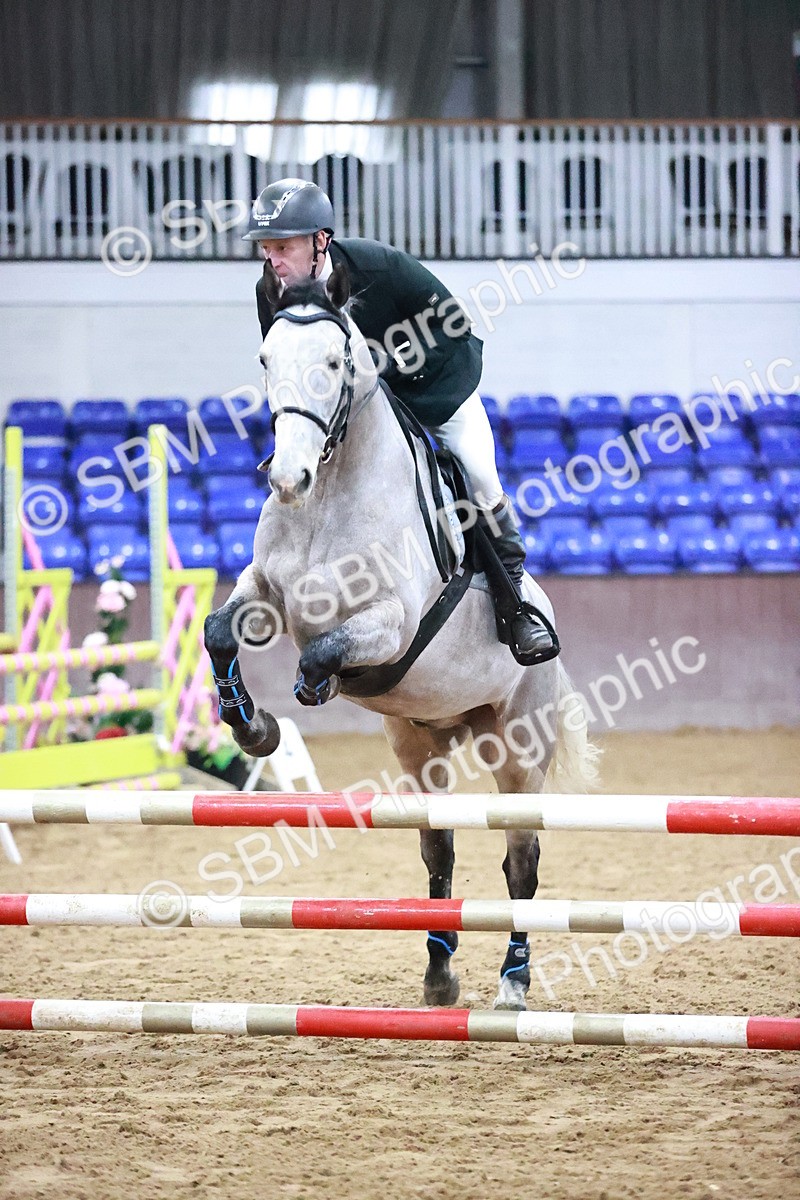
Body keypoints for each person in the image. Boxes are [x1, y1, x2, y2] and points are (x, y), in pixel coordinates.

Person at [243, 177, 556, 664]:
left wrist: (386, 363)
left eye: (283, 247)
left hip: (436, 388)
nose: (273, 260)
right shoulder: (271, 291)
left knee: (480, 476)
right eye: (267, 248)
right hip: (362, 413)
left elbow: (451, 321)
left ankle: (515, 606)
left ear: (320, 240)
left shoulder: (379, 266)